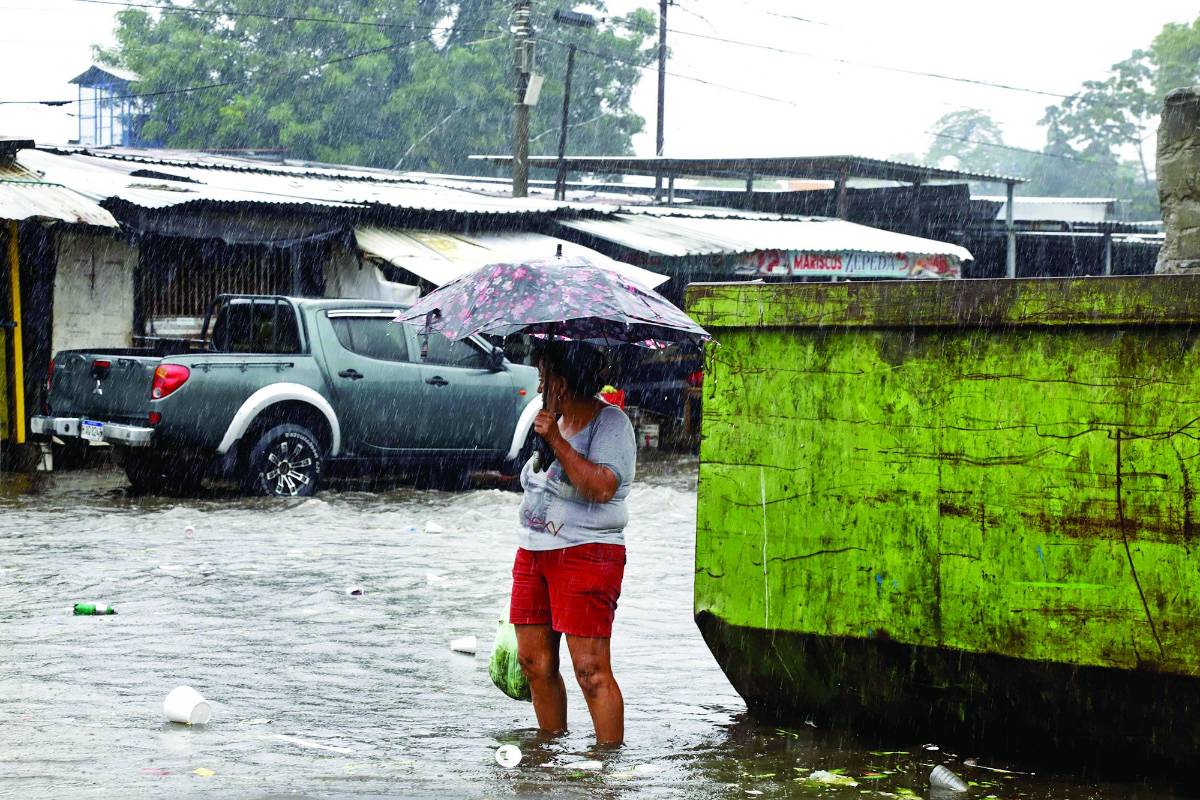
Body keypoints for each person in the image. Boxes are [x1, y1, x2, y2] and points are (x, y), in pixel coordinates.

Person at [510, 341, 637, 746]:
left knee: (590, 671)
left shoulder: (610, 423)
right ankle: (550, 756)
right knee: (534, 662)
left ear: (561, 383)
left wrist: (557, 442)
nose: (539, 386)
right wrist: (548, 435)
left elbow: (601, 488)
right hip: (534, 553)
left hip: (588, 553)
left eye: (543, 377)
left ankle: (608, 765)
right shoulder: (548, 419)